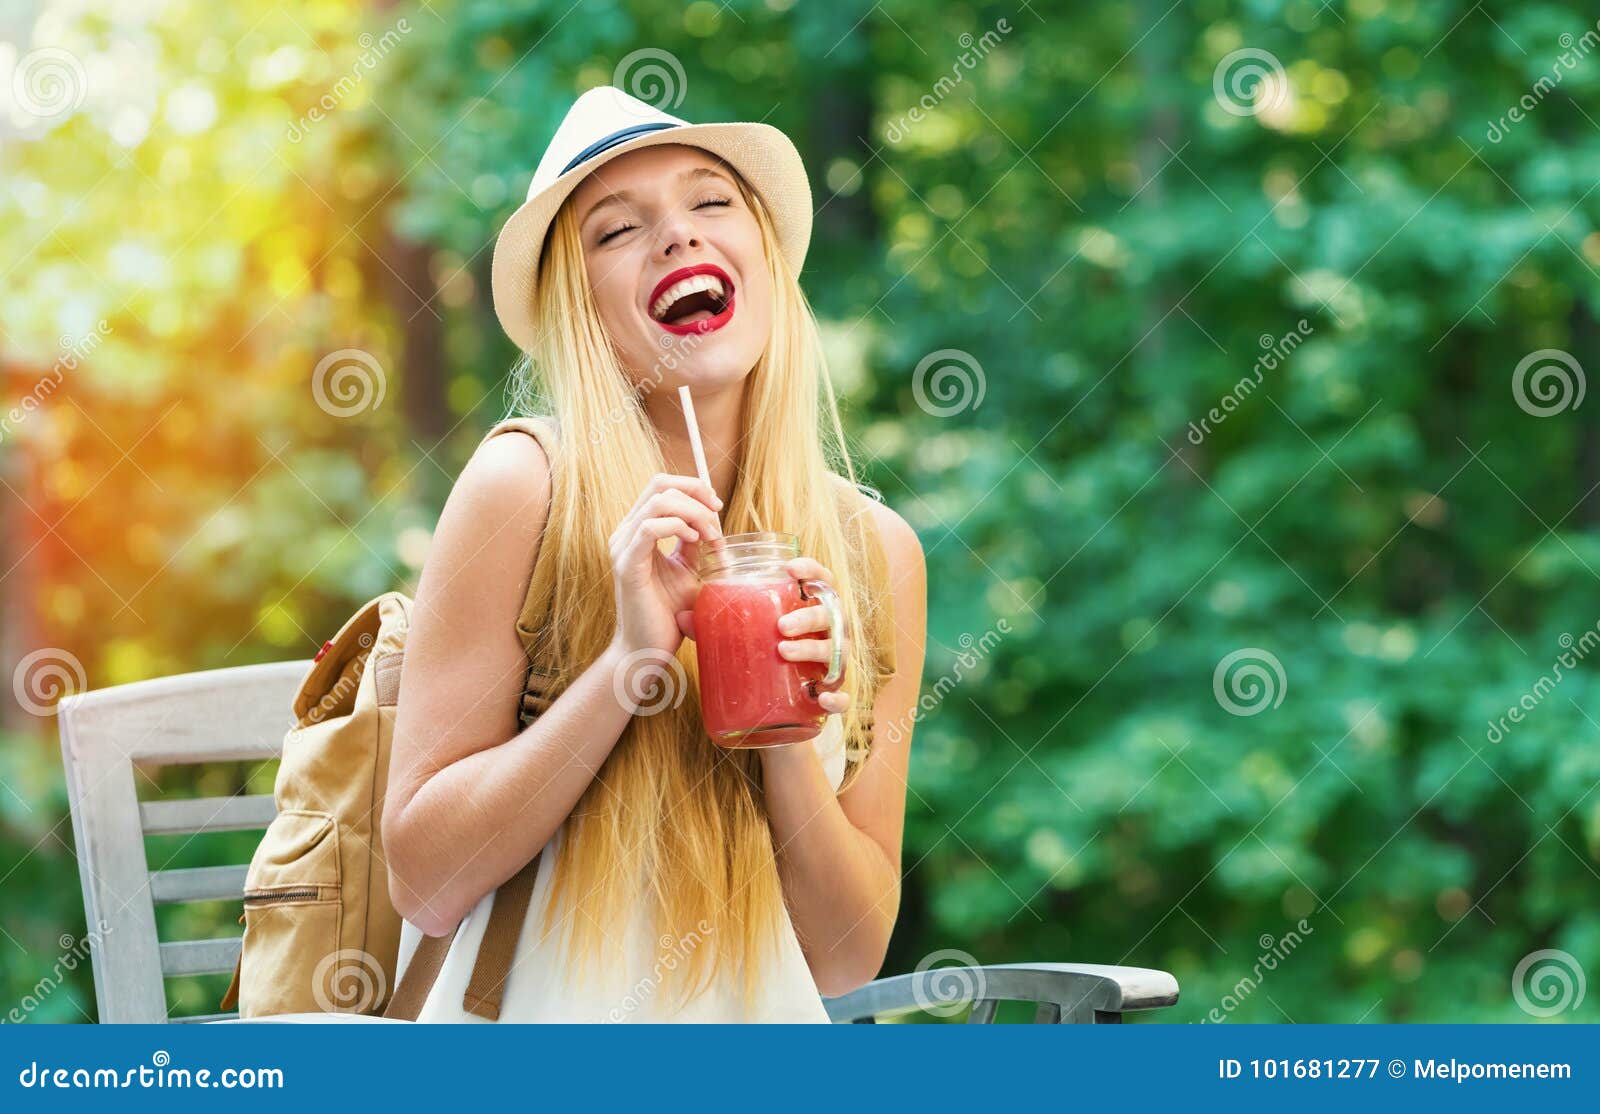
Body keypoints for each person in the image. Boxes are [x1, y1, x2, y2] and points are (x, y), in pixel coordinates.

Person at [380, 85, 927, 1022]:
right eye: (616, 231)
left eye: (711, 202)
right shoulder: (526, 488)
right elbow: (425, 881)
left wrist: (788, 739)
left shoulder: (876, 553)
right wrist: (629, 664)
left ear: (764, 255)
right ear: (581, 308)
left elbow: (844, 961)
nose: (678, 236)